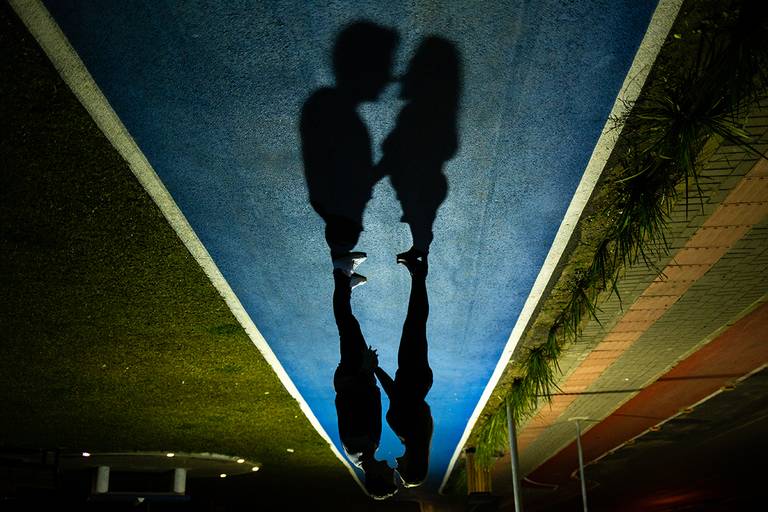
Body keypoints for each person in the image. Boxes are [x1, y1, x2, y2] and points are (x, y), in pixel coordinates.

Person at [300, 21, 399, 270]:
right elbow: (355, 179)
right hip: (339, 210)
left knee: (343, 241)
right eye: (384, 67)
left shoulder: (329, 107)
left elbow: (350, 176)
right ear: (364, 70)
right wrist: (389, 163)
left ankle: (342, 266)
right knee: (344, 241)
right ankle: (342, 271)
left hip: (336, 209)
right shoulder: (339, 114)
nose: (387, 78)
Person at [377, 36, 460, 263]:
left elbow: (394, 153)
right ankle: (419, 255)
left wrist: (371, 177)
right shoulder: (438, 112)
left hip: (419, 188)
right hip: (424, 187)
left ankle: (419, 258)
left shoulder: (417, 113)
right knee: (421, 225)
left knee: (420, 224)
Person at [332, 253, 398, 500]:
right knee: (350, 327)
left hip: (353, 375)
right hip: (359, 375)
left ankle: (341, 271)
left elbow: (349, 401)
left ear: (377, 477)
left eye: (389, 476)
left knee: (347, 324)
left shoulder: (357, 447)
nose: (392, 471)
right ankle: (346, 286)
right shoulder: (368, 450)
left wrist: (365, 369)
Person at [374, 250, 434, 488]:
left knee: (415, 322)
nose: (397, 467)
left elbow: (399, 397)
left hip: (417, 377)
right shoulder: (409, 433)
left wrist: (377, 370)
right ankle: (418, 273)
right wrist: (375, 369)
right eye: (403, 470)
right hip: (412, 373)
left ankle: (417, 274)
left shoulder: (417, 438)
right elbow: (396, 395)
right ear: (413, 464)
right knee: (415, 321)